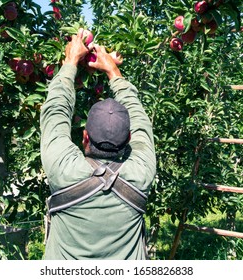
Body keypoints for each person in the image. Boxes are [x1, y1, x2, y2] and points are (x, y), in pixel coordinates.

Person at [39, 28, 156, 260]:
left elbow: (55, 111)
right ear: (129, 139)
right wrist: (113, 71)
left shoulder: (65, 170)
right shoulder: (141, 172)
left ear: (84, 137)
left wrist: (71, 60)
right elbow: (141, 121)